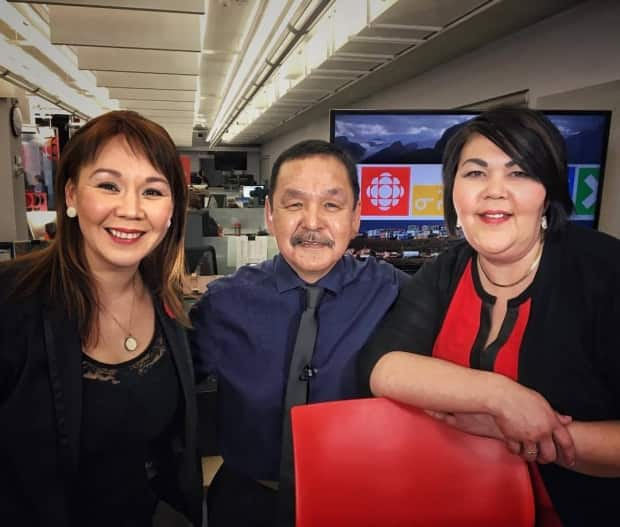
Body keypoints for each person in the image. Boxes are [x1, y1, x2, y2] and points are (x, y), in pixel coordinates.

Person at [359, 107, 620, 525]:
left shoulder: (605, 273)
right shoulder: (448, 269)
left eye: (519, 173)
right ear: (453, 192)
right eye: (475, 173)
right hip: (457, 504)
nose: (494, 191)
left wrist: (511, 431)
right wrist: (501, 397)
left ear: (547, 190)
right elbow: (384, 366)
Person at [190, 139, 409, 527]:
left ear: (356, 217)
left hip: (359, 505)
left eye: (331, 205)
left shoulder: (396, 293)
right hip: (246, 503)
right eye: (294, 204)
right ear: (271, 215)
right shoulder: (224, 304)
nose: (312, 223)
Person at [0, 111, 203, 526]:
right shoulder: (11, 300)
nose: (130, 210)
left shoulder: (169, 304)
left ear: (171, 211)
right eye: (109, 185)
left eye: (152, 191)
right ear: (72, 196)